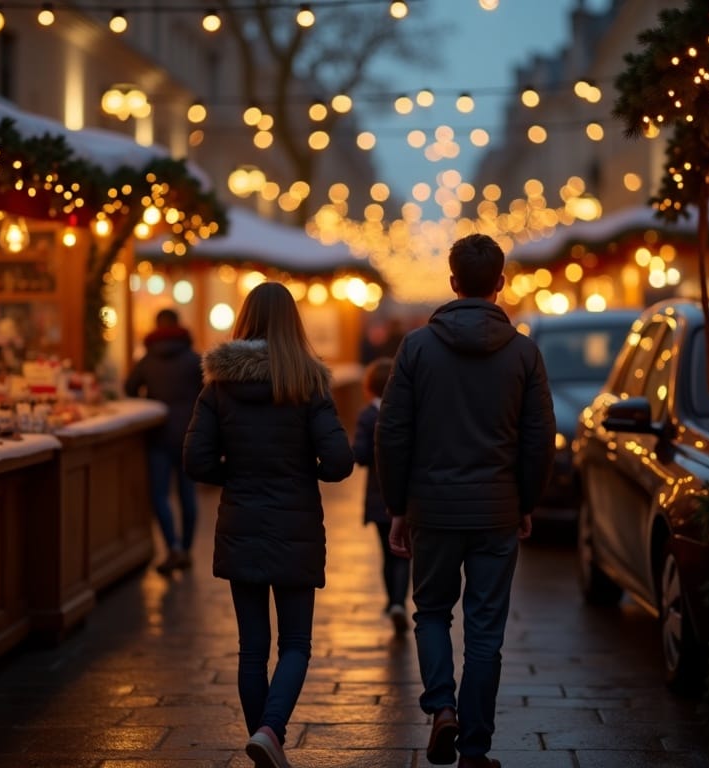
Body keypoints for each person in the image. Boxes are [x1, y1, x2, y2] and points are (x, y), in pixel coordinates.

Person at [375, 234, 556, 768]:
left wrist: (397, 505)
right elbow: (538, 437)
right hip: (498, 509)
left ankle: (441, 708)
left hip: (431, 507)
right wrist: (527, 500)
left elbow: (393, 432)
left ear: (453, 282)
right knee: (485, 627)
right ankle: (475, 748)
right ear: (500, 283)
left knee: (431, 611)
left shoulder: (415, 348)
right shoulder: (524, 352)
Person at [183, 282, 354, 768]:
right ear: (292, 323)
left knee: (251, 647)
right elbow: (340, 460)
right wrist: (308, 472)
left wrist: (233, 475)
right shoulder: (309, 382)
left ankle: (263, 738)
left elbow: (195, 460)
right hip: (296, 523)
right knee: (296, 642)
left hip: (242, 521)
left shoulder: (219, 385)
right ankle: (270, 731)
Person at [125, 308, 203, 575]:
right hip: (189, 434)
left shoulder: (147, 360)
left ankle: (173, 547)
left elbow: (129, 389)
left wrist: (150, 402)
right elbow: (207, 394)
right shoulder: (194, 359)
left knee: (159, 494)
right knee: (187, 494)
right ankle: (187, 549)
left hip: (158, 434)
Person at [351, 356, 410, 633]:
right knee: (403, 553)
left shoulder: (366, 416)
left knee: (386, 552)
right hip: (407, 495)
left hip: (378, 497)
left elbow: (360, 456)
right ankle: (399, 601)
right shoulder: (408, 412)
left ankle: (392, 601)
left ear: (369, 387)